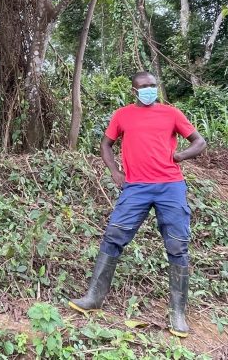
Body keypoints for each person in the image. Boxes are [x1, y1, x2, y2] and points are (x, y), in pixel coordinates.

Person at [68, 71, 207, 337]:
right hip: (136, 187)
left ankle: (178, 314)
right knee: (113, 236)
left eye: (152, 85)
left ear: (157, 87)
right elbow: (105, 145)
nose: (148, 89)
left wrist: (180, 156)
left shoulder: (171, 113)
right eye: (143, 87)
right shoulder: (122, 115)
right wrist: (115, 172)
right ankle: (94, 297)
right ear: (134, 91)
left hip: (170, 187)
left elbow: (199, 142)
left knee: (177, 245)